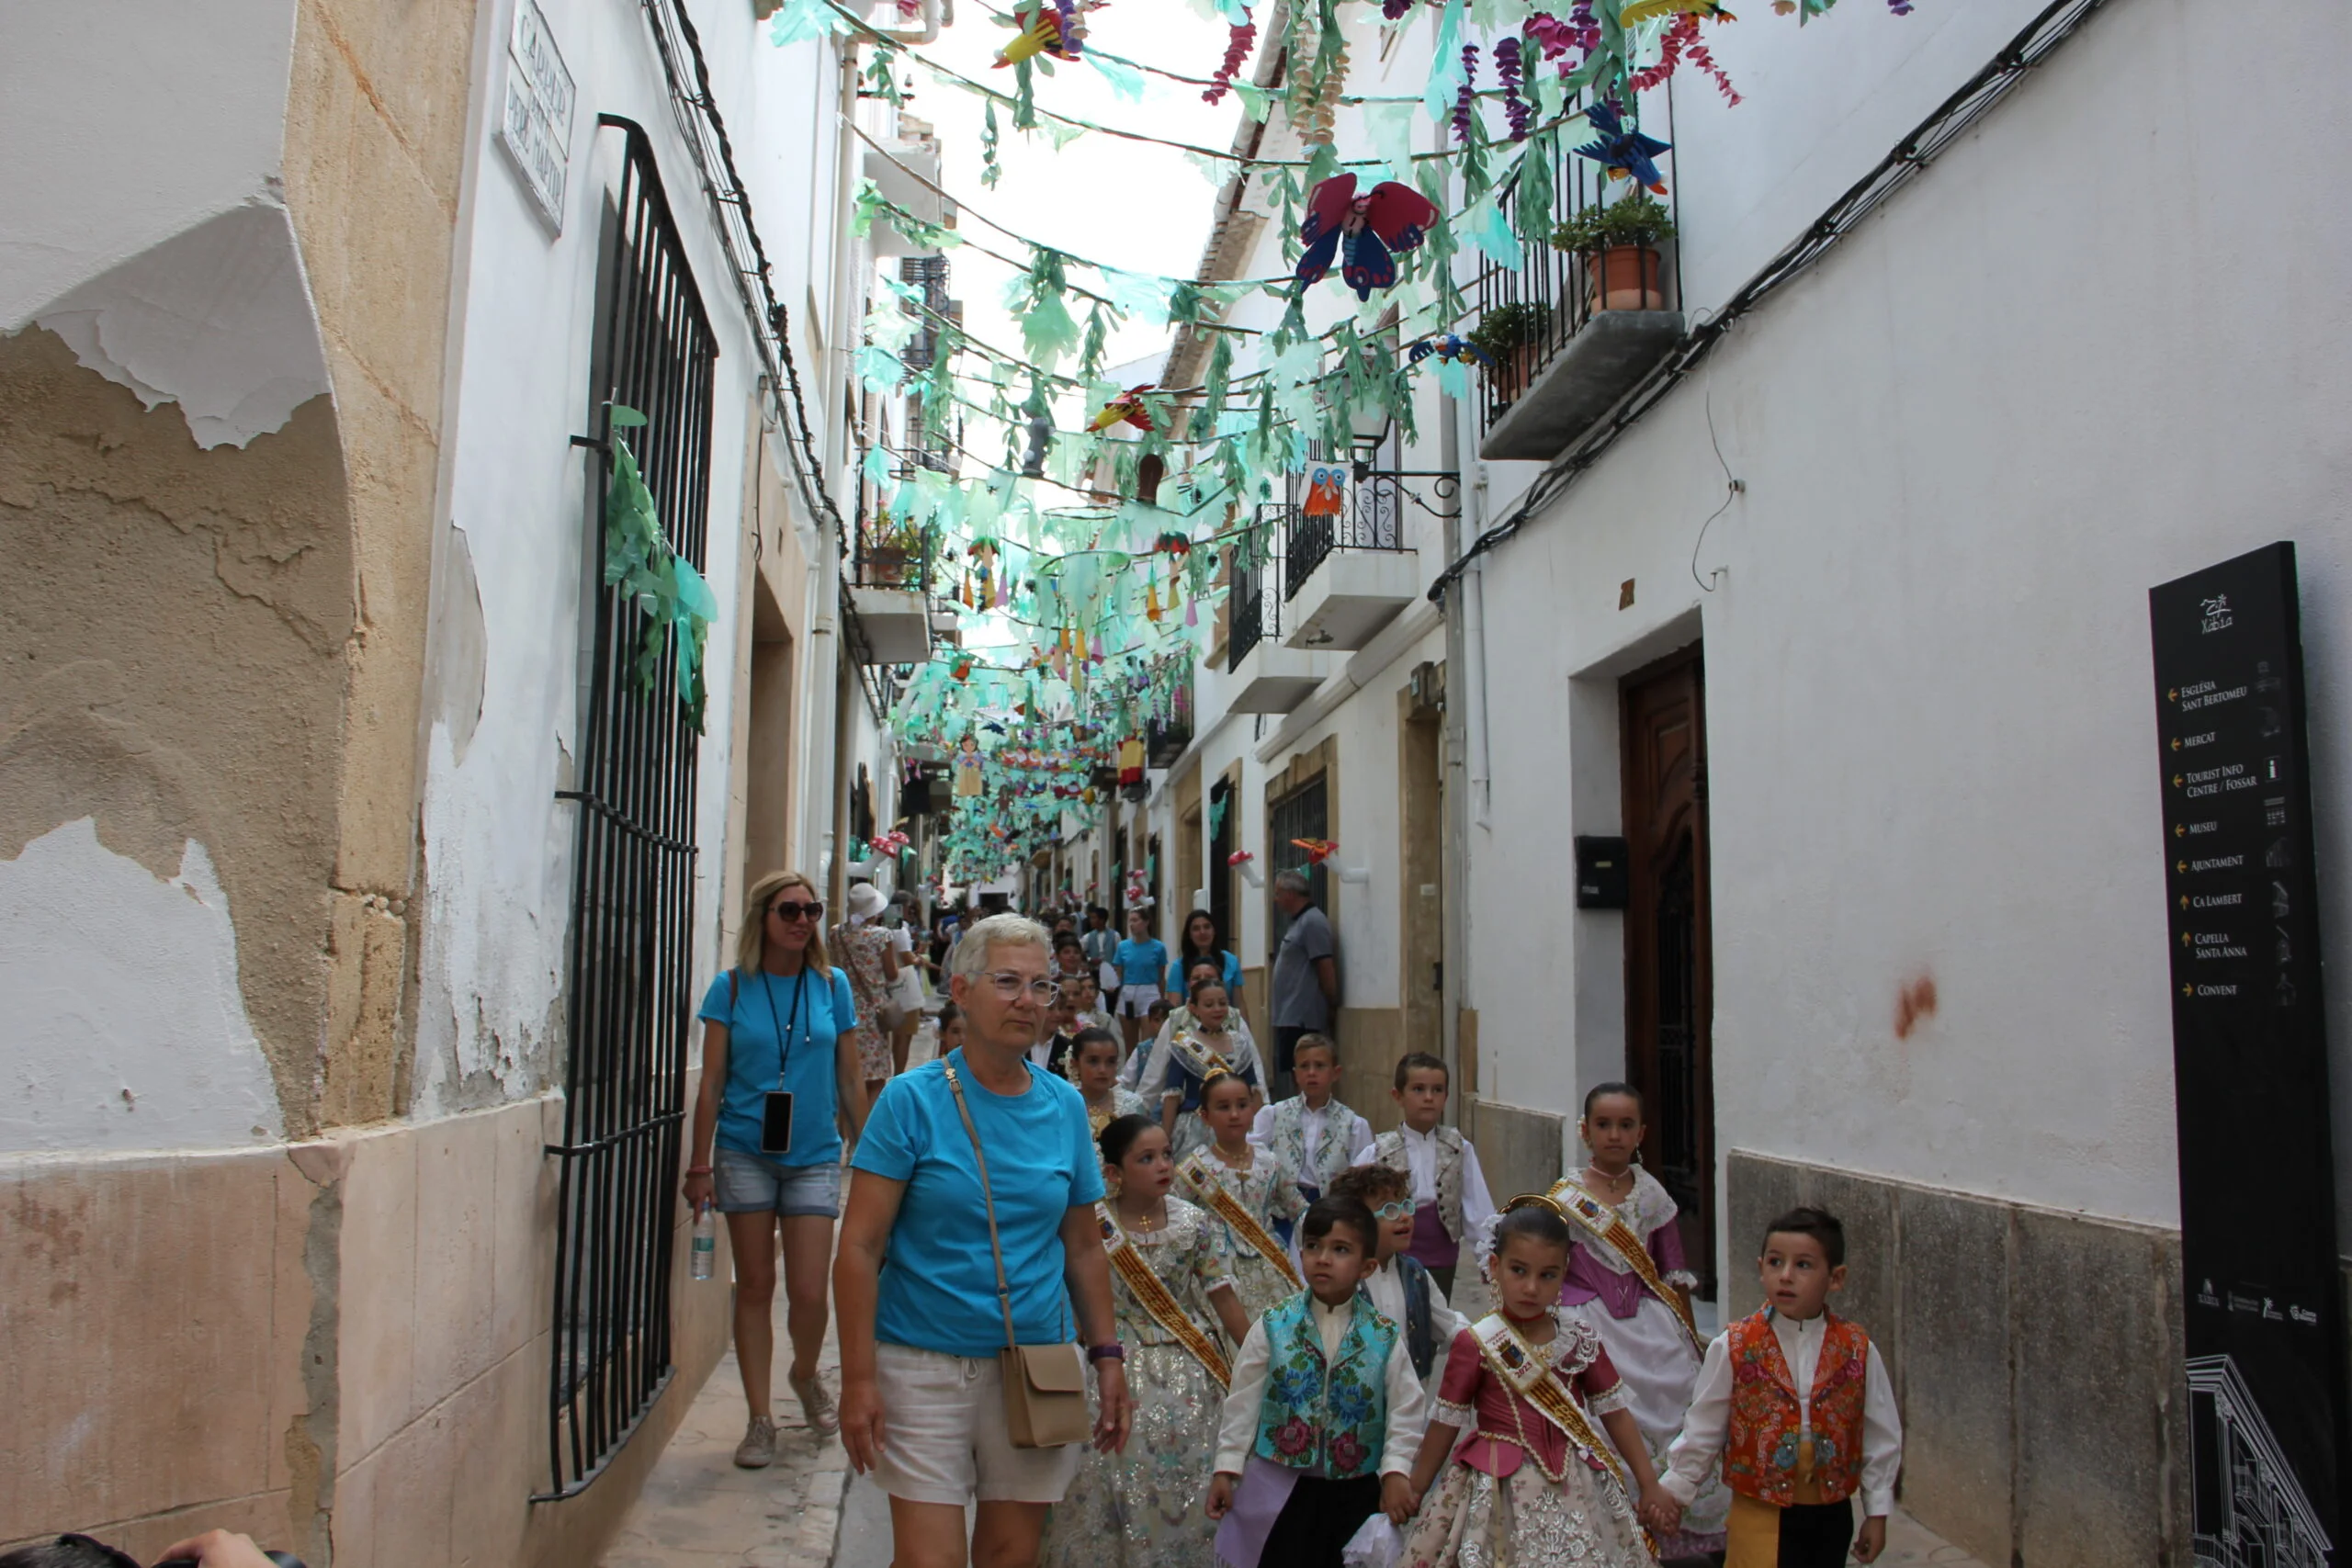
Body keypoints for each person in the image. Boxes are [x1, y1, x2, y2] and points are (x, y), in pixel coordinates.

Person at [834, 912, 1133, 1568]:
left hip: (1037, 1366)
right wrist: (858, 1378)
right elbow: (857, 1246)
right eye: (1008, 982)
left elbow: (1083, 1246)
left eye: (1041, 985)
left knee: (1010, 1555)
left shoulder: (1063, 1107)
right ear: (961, 992)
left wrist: (1107, 1354)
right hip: (922, 1365)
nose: (1028, 1000)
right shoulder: (910, 1102)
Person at [684, 871, 867, 1465]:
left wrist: (868, 1150)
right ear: (763, 915)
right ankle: (759, 1418)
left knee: (812, 1289)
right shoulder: (731, 988)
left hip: (814, 1151)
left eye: (812, 910)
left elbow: (847, 1074)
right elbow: (711, 1081)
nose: (802, 920)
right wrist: (699, 1164)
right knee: (757, 1285)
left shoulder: (831, 984)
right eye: (789, 909)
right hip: (744, 1151)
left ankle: (807, 1370)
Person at [1401, 1197, 1672, 1568]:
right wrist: (1415, 1488)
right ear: (1494, 1266)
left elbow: (1616, 1413)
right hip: (1497, 1484)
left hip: (1574, 1482)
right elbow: (1447, 1422)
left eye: (1547, 1275)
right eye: (1518, 1270)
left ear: (1565, 1273)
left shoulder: (1579, 1339)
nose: (1531, 1287)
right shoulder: (1476, 1342)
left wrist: (1648, 1482)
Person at [1039, 1115, 1253, 1568]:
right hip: (1112, 1366)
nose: (1163, 1166)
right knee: (1105, 1486)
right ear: (1114, 1172)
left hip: (1191, 1372)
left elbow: (1225, 1301)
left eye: (1167, 1155)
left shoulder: (1194, 1223)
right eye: (1146, 1158)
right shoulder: (1090, 1223)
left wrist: (1260, 1361)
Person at [1650, 1208, 1903, 1568]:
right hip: (1758, 1509)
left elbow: (1881, 1433)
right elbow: (1704, 1426)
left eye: (1803, 1265)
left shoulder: (1857, 1348)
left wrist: (1877, 1512)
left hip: (1830, 1514)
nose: (1785, 1276)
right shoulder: (1734, 1345)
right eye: (1775, 1262)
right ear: (1760, 1267)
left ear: (1836, 1277)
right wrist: (1674, 1490)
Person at [1545, 1082, 1727, 1560]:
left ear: (1641, 1132)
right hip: (1588, 1324)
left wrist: (1691, 1339)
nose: (1614, 1134)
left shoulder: (1653, 1195)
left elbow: (1673, 1270)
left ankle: (1666, 1518)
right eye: (1603, 1125)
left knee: (1675, 1407)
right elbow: (1548, 1263)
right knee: (1596, 1422)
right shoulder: (1566, 1197)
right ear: (1585, 1131)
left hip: (1652, 1327)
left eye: (1626, 1125)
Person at [1205, 1196, 1430, 1568]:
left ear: (1367, 1266)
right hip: (1280, 1488)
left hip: (1356, 1489)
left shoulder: (1383, 1336)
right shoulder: (1274, 1325)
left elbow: (1406, 1410)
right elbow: (1243, 1401)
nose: (1323, 1258)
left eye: (1340, 1249)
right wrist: (1227, 1468)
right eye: (1313, 1246)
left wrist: (1395, 1472)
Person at [1358, 1054, 1495, 1297]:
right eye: (1418, 1089)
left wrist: (1487, 1257)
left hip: (1441, 1252)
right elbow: (1355, 1204)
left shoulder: (1459, 1148)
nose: (1429, 1098)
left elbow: (1477, 1206)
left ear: (1446, 1097)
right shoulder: (1378, 1151)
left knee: (1437, 1315)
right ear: (1397, 1096)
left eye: (1437, 1090)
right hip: (1393, 1250)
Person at [1175, 1068, 1306, 1323]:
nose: (1234, 1114)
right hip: (1218, 1275)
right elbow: (1177, 1219)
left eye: (1242, 1105)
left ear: (1253, 1109)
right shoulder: (1194, 1169)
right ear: (1205, 1116)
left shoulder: (1270, 1163)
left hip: (1271, 1266)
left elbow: (1298, 1209)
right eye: (1223, 1107)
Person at [1329, 1163, 1467, 1392]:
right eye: (1389, 1209)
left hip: (1409, 1405)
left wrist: (1493, 1341)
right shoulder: (1340, 1280)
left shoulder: (1416, 1274)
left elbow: (1451, 1328)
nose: (1404, 1216)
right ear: (1353, 1222)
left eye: (1405, 1204)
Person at [1250, 1033, 1372, 1232]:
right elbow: (1255, 1158)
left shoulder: (1353, 1125)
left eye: (1320, 1066)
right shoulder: (1273, 1116)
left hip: (1332, 1213)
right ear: (1296, 1073)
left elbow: (1361, 1177)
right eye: (1305, 1066)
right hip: (1282, 1213)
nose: (1312, 1073)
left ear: (1336, 1072)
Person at [1156, 976, 1261, 1159]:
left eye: (1222, 1003)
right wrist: (1165, 1139)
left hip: (1235, 1124)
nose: (1217, 1009)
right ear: (1193, 1009)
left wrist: (1259, 1130)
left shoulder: (1240, 1043)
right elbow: (1172, 1094)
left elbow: (1253, 1090)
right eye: (1209, 1004)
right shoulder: (1184, 1044)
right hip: (1194, 1130)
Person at [831, 882, 904, 1105]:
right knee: (875, 1077)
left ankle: (845, 1131)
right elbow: (891, 974)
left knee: (848, 1075)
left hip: (844, 1009)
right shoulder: (881, 936)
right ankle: (865, 1131)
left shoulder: (838, 933)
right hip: (874, 1013)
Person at [1269, 870, 1339, 1097]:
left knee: (1304, 1074)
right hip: (1290, 1014)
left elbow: (1324, 965)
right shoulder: (1299, 922)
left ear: (1290, 894)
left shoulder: (1312, 922)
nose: (1275, 899)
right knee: (1294, 1073)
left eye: (1278, 893)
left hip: (1302, 1016)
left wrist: (1331, 1003)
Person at [1072, 1026, 1150, 1137]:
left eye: (1110, 1062)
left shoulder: (1131, 1106)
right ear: (1075, 1064)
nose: (1103, 1070)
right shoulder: (1063, 1104)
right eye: (1093, 1061)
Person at [1114, 908, 1170, 1050]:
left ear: (1146, 922)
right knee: (1129, 1045)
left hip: (1150, 991)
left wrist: (1162, 999)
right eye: (1130, 921)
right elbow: (1119, 974)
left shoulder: (1158, 947)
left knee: (1148, 1042)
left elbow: (1161, 977)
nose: (1132, 924)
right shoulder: (1123, 947)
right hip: (1129, 992)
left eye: (1136, 920)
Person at [1165, 908, 1243, 998]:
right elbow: (1174, 1006)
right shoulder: (1179, 966)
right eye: (1196, 929)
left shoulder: (1231, 961)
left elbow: (1239, 1002)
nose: (1202, 932)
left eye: (1207, 927)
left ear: (1214, 931)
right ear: (1189, 935)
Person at [1081, 904, 1120, 1012]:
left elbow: (1118, 956)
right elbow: (1080, 952)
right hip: (1095, 973)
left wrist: (1116, 977)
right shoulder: (1088, 937)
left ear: (1102, 920)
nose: (1091, 920)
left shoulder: (1115, 936)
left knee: (1110, 1003)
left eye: (1094, 918)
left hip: (1109, 974)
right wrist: (1089, 960)